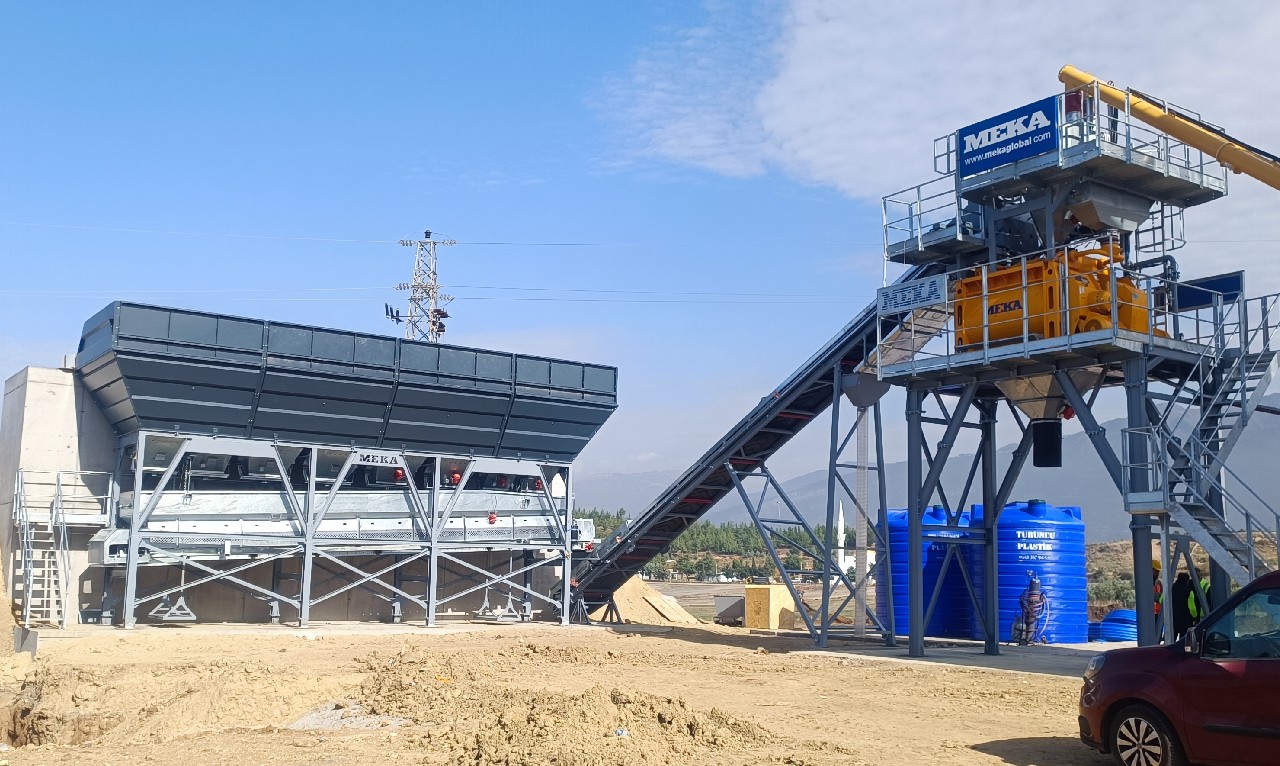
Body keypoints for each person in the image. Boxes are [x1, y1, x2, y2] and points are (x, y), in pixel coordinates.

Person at [1170, 571, 1196, 640]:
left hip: (1173, 618)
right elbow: (1192, 608)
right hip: (1185, 620)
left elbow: (1161, 600)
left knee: (1171, 640)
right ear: (1187, 580)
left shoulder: (1171, 588)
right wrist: (1195, 616)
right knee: (1183, 641)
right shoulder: (1189, 591)